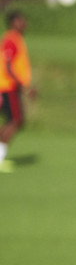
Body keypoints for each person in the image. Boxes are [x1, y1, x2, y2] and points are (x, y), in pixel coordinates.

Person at [0, 10, 34, 173]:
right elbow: (8, 66)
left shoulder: (15, 39)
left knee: (13, 121)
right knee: (15, 121)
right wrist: (24, 86)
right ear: (12, 22)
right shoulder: (11, 39)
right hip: (8, 87)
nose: (23, 24)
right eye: (20, 21)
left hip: (9, 87)